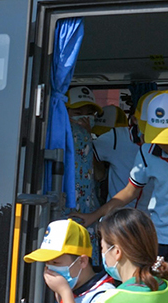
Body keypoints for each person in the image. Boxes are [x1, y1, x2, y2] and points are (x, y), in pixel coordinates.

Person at [77, 90, 168, 303]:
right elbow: (130, 190)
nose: (162, 142)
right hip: (159, 236)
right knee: (152, 295)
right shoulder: (147, 150)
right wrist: (94, 216)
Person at [91, 99, 154, 213]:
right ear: (134, 119)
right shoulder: (116, 137)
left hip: (152, 218)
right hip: (118, 215)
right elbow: (87, 154)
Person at [66, 86, 103, 265]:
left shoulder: (90, 139)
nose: (84, 117)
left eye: (89, 112)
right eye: (78, 112)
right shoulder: (60, 136)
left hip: (88, 209)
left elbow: (99, 174)